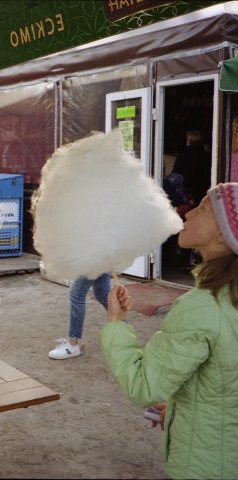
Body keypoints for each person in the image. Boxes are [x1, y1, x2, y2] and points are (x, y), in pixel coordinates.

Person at [100, 183, 238, 479]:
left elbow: (144, 385)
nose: (187, 215)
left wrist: (117, 323)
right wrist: (183, 409)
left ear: (224, 237)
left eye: (202, 209)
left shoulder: (201, 308)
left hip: (206, 466)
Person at [49, 274, 110, 359]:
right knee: (103, 294)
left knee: (77, 294)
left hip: (93, 260)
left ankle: (72, 345)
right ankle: (127, 336)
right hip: (102, 260)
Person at [172, 129, 211, 206]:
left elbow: (175, 175)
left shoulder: (182, 155)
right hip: (203, 192)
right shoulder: (207, 156)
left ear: (188, 140)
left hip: (185, 194)